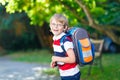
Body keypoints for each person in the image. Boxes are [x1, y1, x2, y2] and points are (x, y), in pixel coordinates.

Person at [49, 13, 80, 80]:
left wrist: (56, 58)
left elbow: (72, 59)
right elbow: (62, 56)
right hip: (64, 74)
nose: (55, 26)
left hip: (72, 75)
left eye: (59, 25)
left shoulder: (65, 41)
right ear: (50, 25)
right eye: (53, 24)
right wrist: (55, 62)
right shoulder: (56, 39)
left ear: (64, 27)